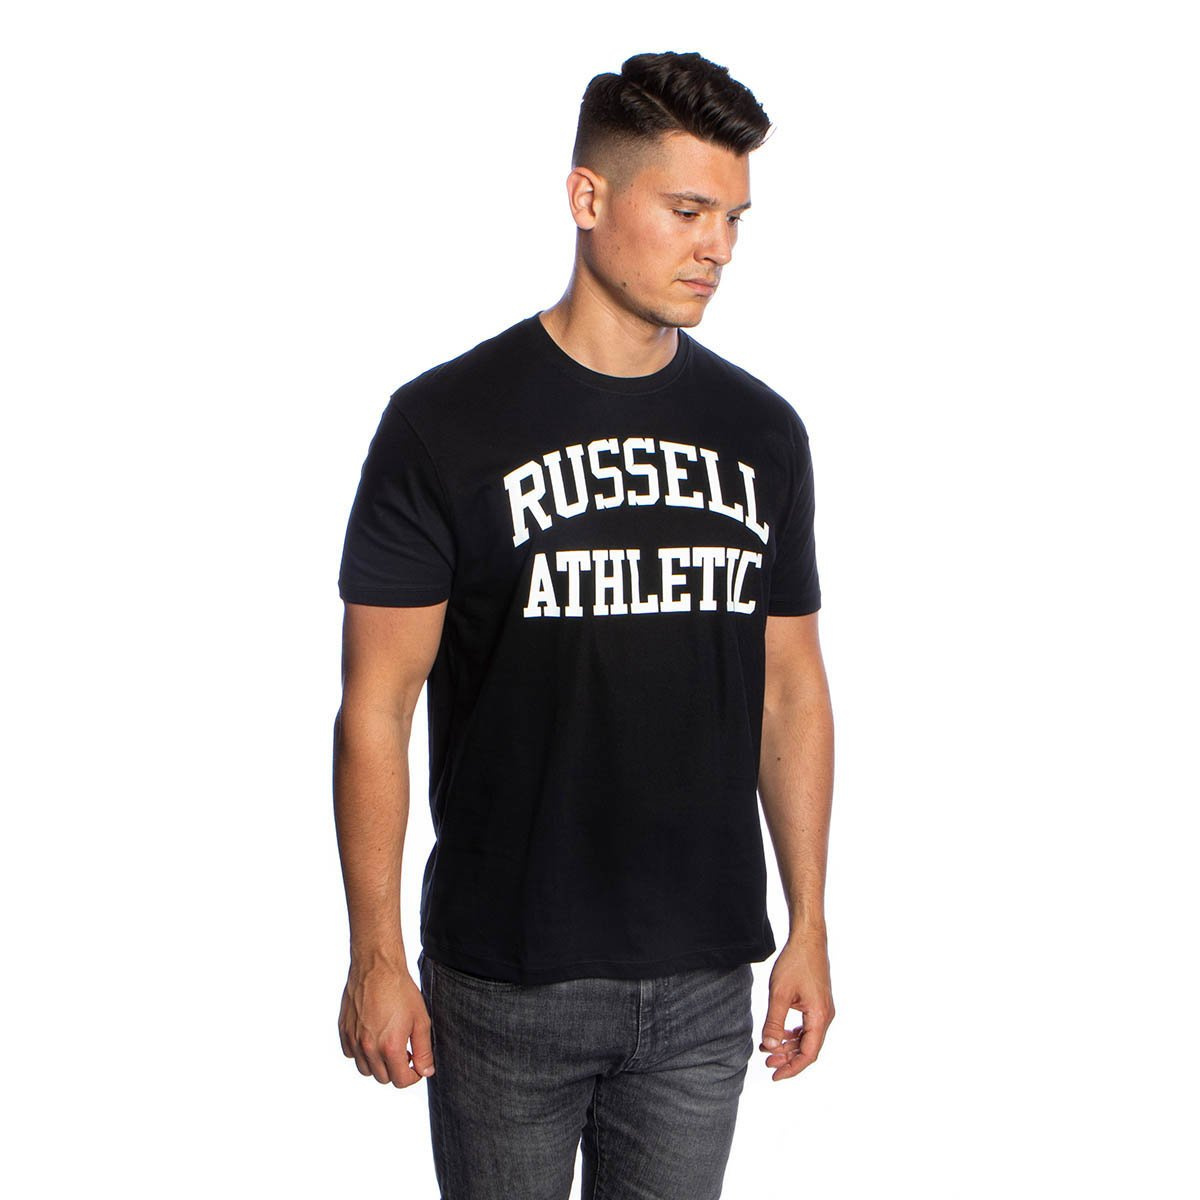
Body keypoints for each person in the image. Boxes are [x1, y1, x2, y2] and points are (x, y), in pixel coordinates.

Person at [333, 49, 835, 1199]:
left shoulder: (762, 432)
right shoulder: (444, 424)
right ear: (588, 196)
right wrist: (374, 954)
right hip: (509, 976)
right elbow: (376, 706)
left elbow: (791, 688)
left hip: (706, 978)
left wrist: (808, 920)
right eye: (689, 211)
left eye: (735, 219)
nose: (718, 247)